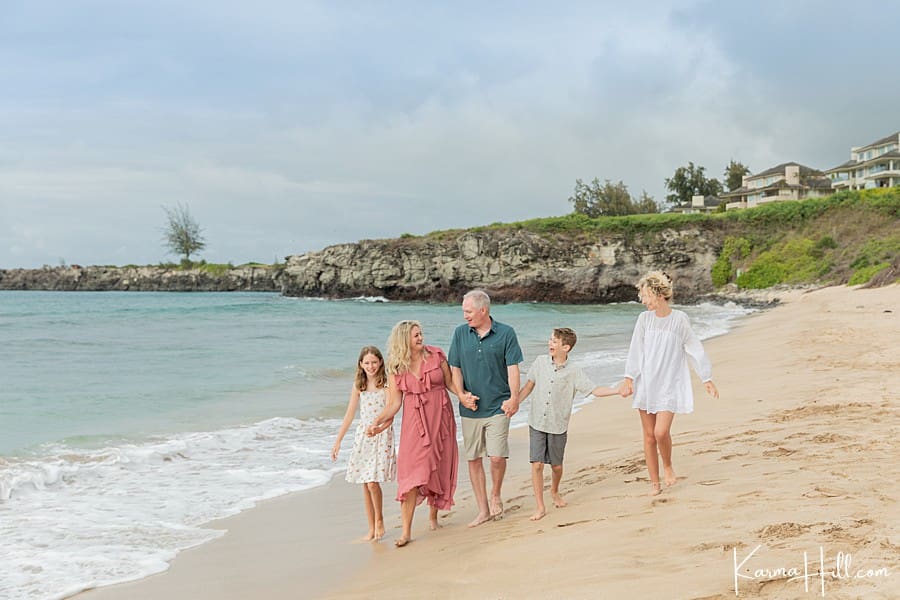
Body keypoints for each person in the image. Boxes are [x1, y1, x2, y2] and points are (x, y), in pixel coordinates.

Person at [619, 271, 719, 496]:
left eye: (645, 296)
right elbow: (636, 350)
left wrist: (706, 378)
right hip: (646, 383)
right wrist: (629, 378)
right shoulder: (644, 320)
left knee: (661, 432)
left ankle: (668, 465)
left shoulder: (679, 319)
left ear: (657, 293)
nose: (643, 301)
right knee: (648, 435)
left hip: (669, 384)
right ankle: (654, 482)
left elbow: (694, 348)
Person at [367, 320, 463, 547]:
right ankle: (406, 531)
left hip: (441, 416)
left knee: (437, 466)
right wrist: (377, 422)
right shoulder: (396, 367)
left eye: (421, 334)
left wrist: (464, 397)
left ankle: (433, 517)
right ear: (404, 341)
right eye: (416, 336)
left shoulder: (437, 355)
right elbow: (393, 404)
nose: (421, 338)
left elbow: (451, 384)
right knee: (410, 474)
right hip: (414, 424)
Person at [518, 327, 622, 520]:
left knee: (556, 467)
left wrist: (617, 391)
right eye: (550, 340)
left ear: (566, 347)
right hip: (537, 422)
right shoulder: (540, 362)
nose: (550, 343)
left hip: (558, 425)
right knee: (537, 464)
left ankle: (555, 491)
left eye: (555, 341)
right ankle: (540, 506)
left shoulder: (574, 371)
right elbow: (528, 387)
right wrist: (514, 403)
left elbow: (593, 390)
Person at [448, 289, 523, 527]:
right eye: (463, 311)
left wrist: (514, 398)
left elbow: (513, 368)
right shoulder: (460, 334)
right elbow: (455, 368)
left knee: (497, 457)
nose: (465, 316)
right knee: (473, 459)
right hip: (470, 408)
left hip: (498, 405)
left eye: (468, 312)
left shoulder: (506, 333)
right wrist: (461, 395)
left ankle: (496, 493)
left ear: (483, 310)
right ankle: (483, 510)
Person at [331, 346, 397, 541]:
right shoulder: (358, 385)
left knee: (371, 482)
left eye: (374, 362)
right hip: (363, 436)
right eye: (367, 363)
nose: (371, 366)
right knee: (364, 482)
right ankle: (371, 527)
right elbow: (350, 414)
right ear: (361, 364)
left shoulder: (386, 385)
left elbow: (391, 416)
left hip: (381, 435)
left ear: (380, 363)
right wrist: (338, 441)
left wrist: (379, 429)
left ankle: (380, 521)